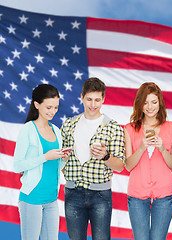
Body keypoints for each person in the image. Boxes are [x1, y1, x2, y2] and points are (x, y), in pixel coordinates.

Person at [61, 77, 125, 240]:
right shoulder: (69, 125)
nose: (93, 104)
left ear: (103, 99)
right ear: (81, 97)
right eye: (89, 99)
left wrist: (105, 156)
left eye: (97, 100)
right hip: (73, 192)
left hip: (100, 195)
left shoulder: (113, 127)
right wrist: (68, 172)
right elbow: (61, 159)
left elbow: (119, 166)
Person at [124, 82, 172, 240]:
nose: (150, 107)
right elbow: (128, 166)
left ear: (160, 103)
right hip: (136, 196)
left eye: (154, 102)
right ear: (139, 104)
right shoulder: (129, 129)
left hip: (164, 196)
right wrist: (141, 147)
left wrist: (162, 149)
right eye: (145, 102)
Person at [13, 84, 69, 240]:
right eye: (49, 107)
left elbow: (55, 166)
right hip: (32, 199)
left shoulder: (57, 131)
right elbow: (17, 165)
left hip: (51, 199)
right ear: (37, 105)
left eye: (56, 108)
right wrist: (45, 156)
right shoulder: (28, 129)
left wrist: (64, 159)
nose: (53, 112)